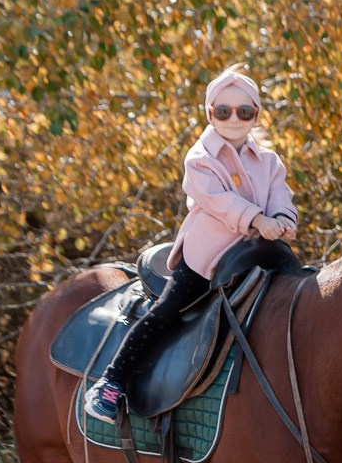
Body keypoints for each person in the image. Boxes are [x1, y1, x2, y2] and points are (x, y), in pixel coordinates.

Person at [84, 65, 298, 423]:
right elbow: (215, 199)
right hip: (209, 257)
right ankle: (111, 382)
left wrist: (283, 219)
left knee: (302, 291)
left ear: (255, 115)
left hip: (259, 253)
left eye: (244, 111)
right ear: (210, 113)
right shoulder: (200, 158)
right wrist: (257, 220)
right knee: (168, 310)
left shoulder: (269, 162)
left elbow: (281, 196)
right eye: (223, 111)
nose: (234, 118)